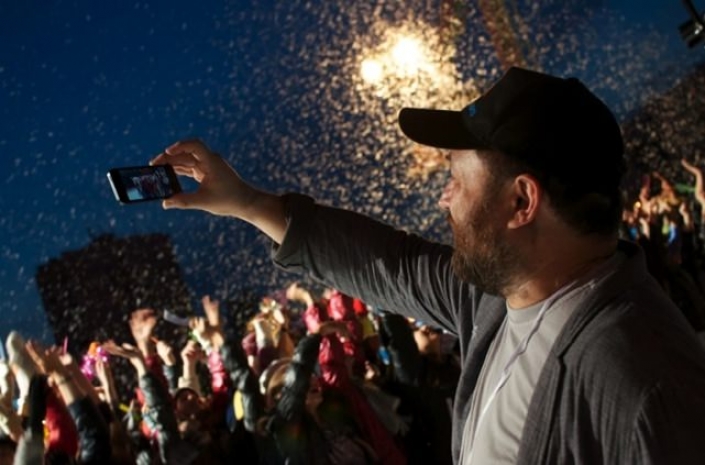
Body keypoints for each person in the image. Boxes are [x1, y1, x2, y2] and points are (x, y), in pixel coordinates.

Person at [150, 66, 705, 464]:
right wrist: (248, 202)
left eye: (457, 179)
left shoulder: (645, 385)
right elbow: (388, 264)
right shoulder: (499, 298)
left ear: (521, 201)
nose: (445, 199)